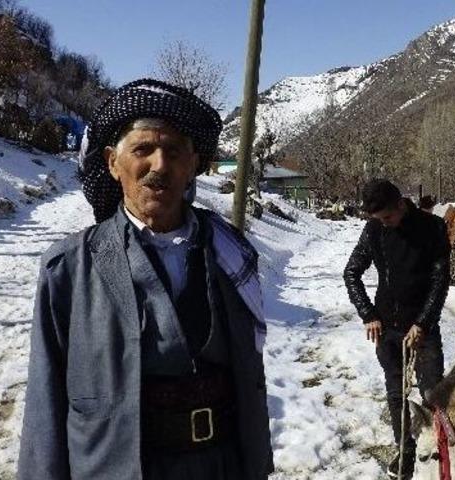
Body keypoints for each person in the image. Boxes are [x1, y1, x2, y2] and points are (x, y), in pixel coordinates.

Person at [17, 79, 273, 480]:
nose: (159, 165)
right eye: (142, 150)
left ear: (193, 166)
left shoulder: (232, 255)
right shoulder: (67, 269)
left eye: (174, 151)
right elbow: (44, 407)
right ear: (112, 162)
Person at [343, 179, 450, 479]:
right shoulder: (374, 230)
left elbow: (439, 282)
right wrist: (368, 314)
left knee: (432, 394)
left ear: (401, 204)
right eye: (378, 220)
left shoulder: (433, 228)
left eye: (388, 217)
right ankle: (404, 450)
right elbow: (351, 273)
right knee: (396, 393)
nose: (384, 224)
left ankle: (438, 449)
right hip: (387, 330)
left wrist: (423, 323)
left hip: (423, 329)